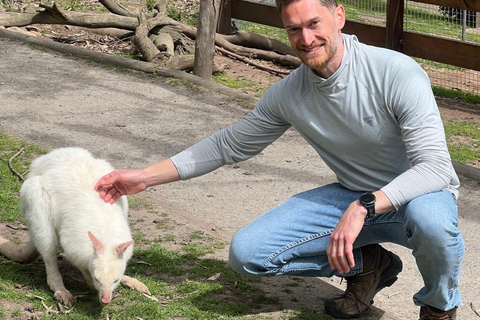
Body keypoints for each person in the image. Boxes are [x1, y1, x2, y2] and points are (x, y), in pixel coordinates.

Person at [94, 0, 464, 318]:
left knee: (432, 223)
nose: (305, 39)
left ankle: (438, 306)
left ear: (339, 16)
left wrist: (365, 206)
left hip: (418, 194)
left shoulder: (394, 72)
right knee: (249, 254)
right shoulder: (289, 94)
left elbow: (434, 168)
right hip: (353, 196)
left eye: (314, 24)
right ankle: (370, 265)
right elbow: (226, 145)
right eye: (294, 29)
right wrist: (144, 176)